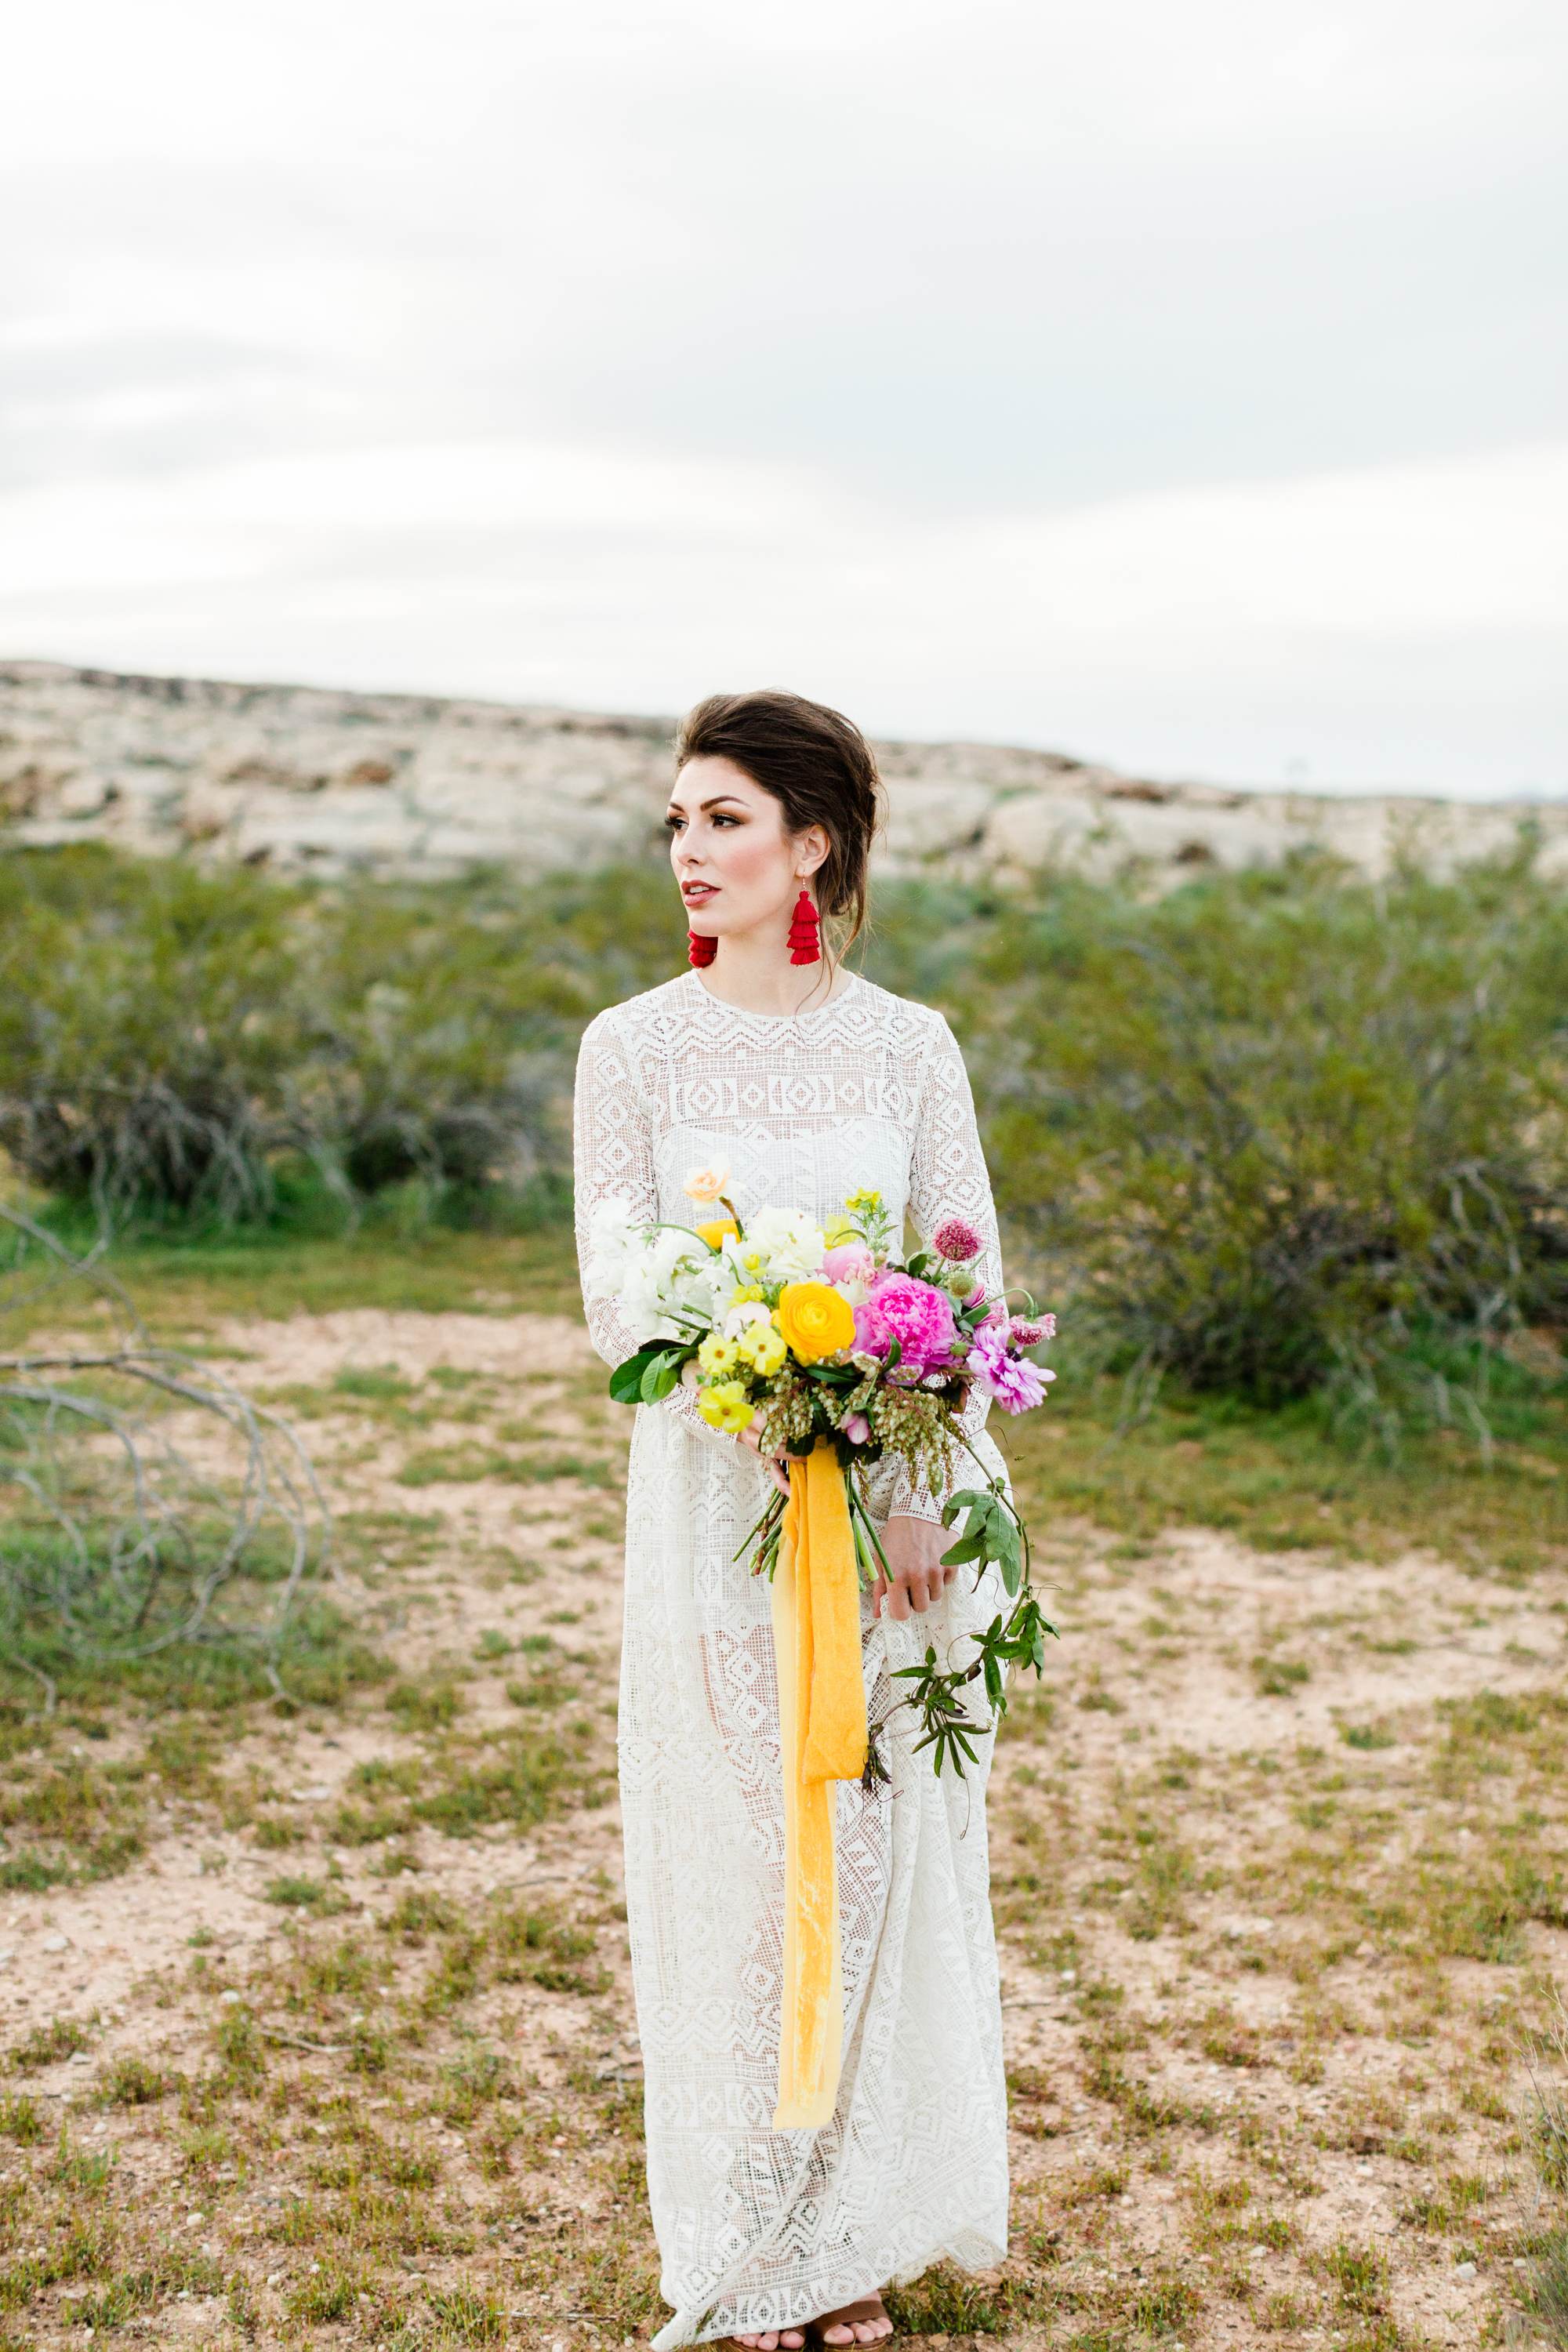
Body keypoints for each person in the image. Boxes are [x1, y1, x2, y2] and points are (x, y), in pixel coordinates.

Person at [572, 691, 1011, 2350]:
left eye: (722, 821)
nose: (688, 853)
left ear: (810, 842)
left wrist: (904, 1480)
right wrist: (746, 1399)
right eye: (677, 825)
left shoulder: (909, 1044)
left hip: (886, 1519)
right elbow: (620, 1286)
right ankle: (752, 2244)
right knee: (744, 1865)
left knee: (875, 1845)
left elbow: (965, 1268)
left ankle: (855, 2225)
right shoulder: (634, 1047)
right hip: (714, 1500)